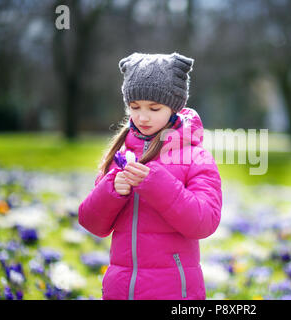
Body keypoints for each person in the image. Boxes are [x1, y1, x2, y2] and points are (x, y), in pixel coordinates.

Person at [78, 52, 223, 300]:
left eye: (154, 108)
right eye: (134, 107)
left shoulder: (195, 156)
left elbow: (205, 221)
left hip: (173, 290)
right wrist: (112, 189)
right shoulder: (120, 153)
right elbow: (92, 223)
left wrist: (157, 184)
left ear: (174, 107)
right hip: (121, 288)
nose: (143, 117)